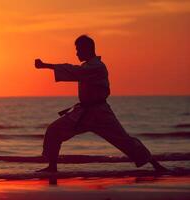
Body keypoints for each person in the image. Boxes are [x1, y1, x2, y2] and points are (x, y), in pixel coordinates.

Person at [34, 35, 167, 173]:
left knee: (124, 140)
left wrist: (46, 65)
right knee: (54, 130)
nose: (77, 53)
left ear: (87, 49)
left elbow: (74, 71)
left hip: (100, 113)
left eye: (79, 50)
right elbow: (75, 70)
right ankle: (52, 167)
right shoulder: (87, 65)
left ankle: (156, 165)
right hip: (83, 113)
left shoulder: (97, 67)